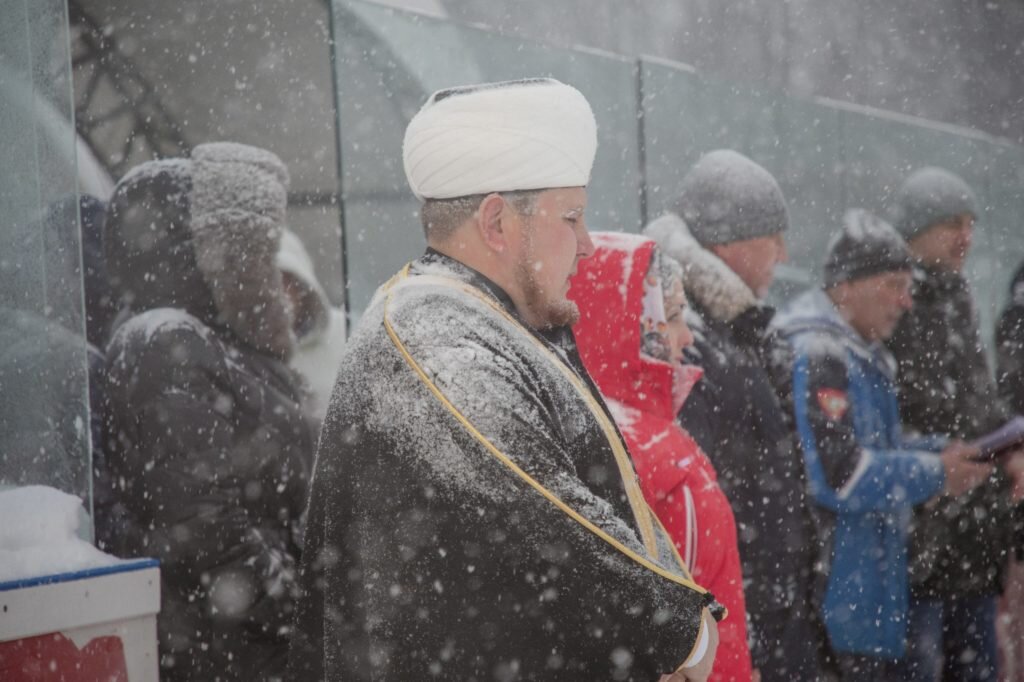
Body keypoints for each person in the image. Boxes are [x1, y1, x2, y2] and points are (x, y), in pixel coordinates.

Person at [288, 78, 722, 681]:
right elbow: (540, 504)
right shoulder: (431, 334)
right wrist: (680, 627)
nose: (590, 245)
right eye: (571, 217)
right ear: (496, 222)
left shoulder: (482, 321)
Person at [100, 142, 315, 681]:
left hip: (254, 648)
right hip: (227, 655)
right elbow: (201, 528)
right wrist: (301, 614)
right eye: (253, 253)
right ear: (206, 250)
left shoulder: (222, 344)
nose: (266, 272)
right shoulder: (165, 343)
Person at [772, 209, 991, 680]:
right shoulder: (819, 354)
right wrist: (936, 473)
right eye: (894, 284)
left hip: (866, 611)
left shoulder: (863, 354)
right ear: (846, 286)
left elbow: (877, 448)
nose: (906, 301)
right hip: (836, 615)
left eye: (908, 286)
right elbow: (840, 475)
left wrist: (940, 451)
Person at [645, 149, 827, 680]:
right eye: (773, 237)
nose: (783, 253)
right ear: (729, 243)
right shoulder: (692, 341)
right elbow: (701, 491)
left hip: (763, 599)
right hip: (738, 605)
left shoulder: (735, 330)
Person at [570, 232, 752, 681]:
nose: (687, 336)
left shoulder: (578, 437)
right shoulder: (653, 457)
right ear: (627, 329)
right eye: (670, 318)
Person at [887, 167, 1023, 682]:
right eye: (951, 224)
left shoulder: (956, 295)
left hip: (971, 535)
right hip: (924, 535)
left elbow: (977, 400)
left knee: (978, 664)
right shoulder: (898, 301)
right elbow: (905, 414)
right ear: (916, 230)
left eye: (970, 224)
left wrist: (1008, 448)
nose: (966, 237)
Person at [276, 228, 348, 424]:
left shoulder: (347, 334)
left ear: (302, 286)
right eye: (269, 280)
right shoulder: (235, 353)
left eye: (286, 280)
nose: (279, 293)